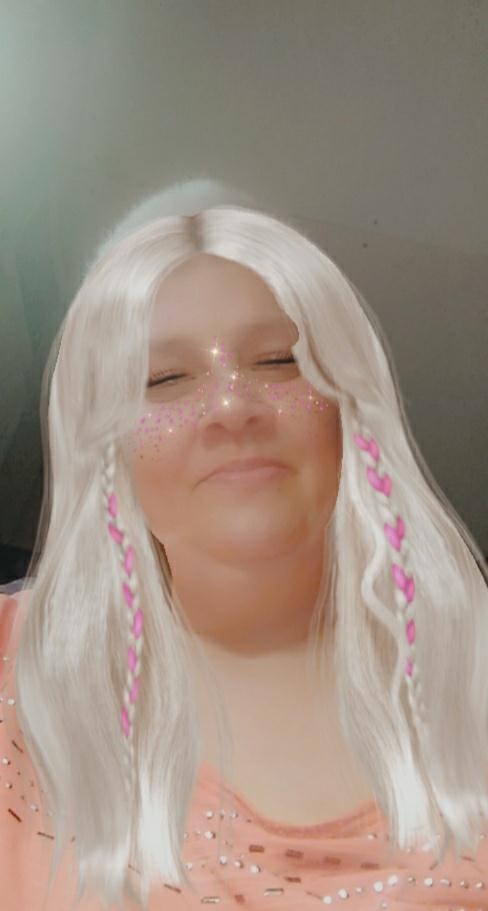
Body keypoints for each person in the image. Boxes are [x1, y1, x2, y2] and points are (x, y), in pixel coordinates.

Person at [0, 178, 487, 911]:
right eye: (165, 378)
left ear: (349, 406)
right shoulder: (14, 669)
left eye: (278, 361)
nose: (231, 406)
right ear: (102, 443)